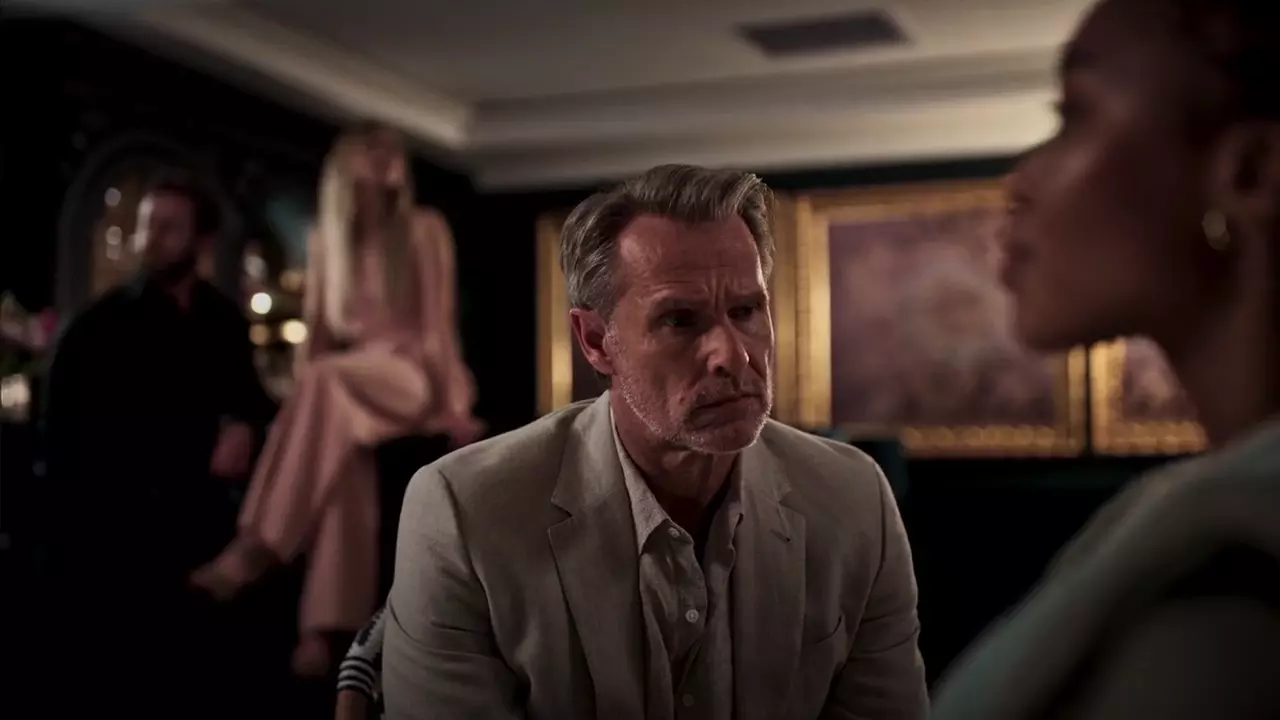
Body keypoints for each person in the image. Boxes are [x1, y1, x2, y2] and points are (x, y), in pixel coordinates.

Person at [384, 164, 927, 719]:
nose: (733, 355)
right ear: (596, 341)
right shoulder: (467, 512)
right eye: (680, 321)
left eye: (746, 310)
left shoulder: (852, 499)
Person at [931, 1, 1280, 717]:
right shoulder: (1187, 525)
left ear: (1251, 172)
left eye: (1073, 116)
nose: (1020, 180)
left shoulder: (1228, 584)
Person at [190, 121, 485, 677]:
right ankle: (324, 632)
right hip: (349, 387)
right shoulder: (327, 242)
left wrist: (454, 407)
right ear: (346, 165)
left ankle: (258, 544)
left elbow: (437, 327)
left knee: (326, 383)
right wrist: (300, 406)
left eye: (393, 151)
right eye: (373, 151)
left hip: (411, 376)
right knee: (341, 461)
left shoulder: (424, 229)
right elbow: (319, 336)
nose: (388, 159)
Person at [42, 171, 277, 717]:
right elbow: (75, 446)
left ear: (202, 241)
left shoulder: (221, 320)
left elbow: (252, 403)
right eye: (148, 226)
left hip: (206, 524)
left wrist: (246, 427)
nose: (151, 238)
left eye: (169, 227)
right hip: (121, 535)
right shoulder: (100, 327)